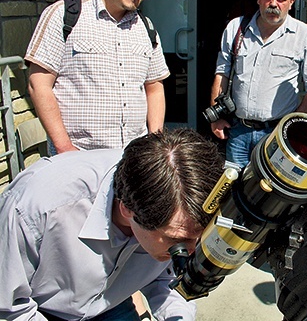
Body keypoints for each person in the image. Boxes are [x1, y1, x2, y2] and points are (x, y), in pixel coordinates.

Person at [0, 128, 225, 320]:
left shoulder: (166, 216)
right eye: (176, 242)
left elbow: (167, 280)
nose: (191, 250)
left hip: (110, 302)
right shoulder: (35, 207)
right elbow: (10, 306)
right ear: (127, 208)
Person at [25, 0, 169, 155]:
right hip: (78, 157)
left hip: (132, 161)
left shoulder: (146, 27)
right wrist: (65, 148)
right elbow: (39, 85)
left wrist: (154, 140)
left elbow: (154, 86)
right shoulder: (64, 16)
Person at [208, 0, 307, 168]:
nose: (274, 4)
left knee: (270, 195)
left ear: (291, 1)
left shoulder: (303, 34)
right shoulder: (235, 28)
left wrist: (292, 126)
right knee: (233, 190)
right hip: (238, 131)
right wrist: (216, 116)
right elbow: (221, 73)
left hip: (277, 135)